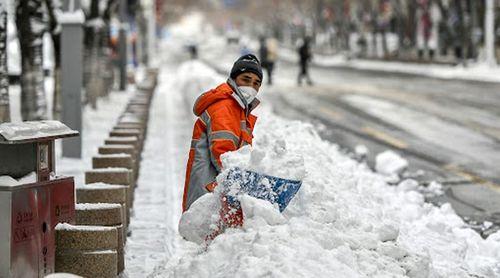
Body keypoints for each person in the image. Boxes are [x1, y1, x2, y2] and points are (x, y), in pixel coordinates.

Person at [182, 54, 263, 217]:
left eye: (256, 83)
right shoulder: (225, 107)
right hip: (210, 194)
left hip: (212, 190)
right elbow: (224, 157)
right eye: (246, 79)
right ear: (233, 79)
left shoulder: (238, 108)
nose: (251, 87)